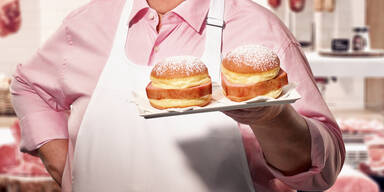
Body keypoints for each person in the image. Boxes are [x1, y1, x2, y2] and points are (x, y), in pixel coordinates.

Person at [10, 0, 345, 191]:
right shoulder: (91, 21)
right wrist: (63, 166)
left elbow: (320, 173)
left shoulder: (257, 28)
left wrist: (274, 118)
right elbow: (30, 85)